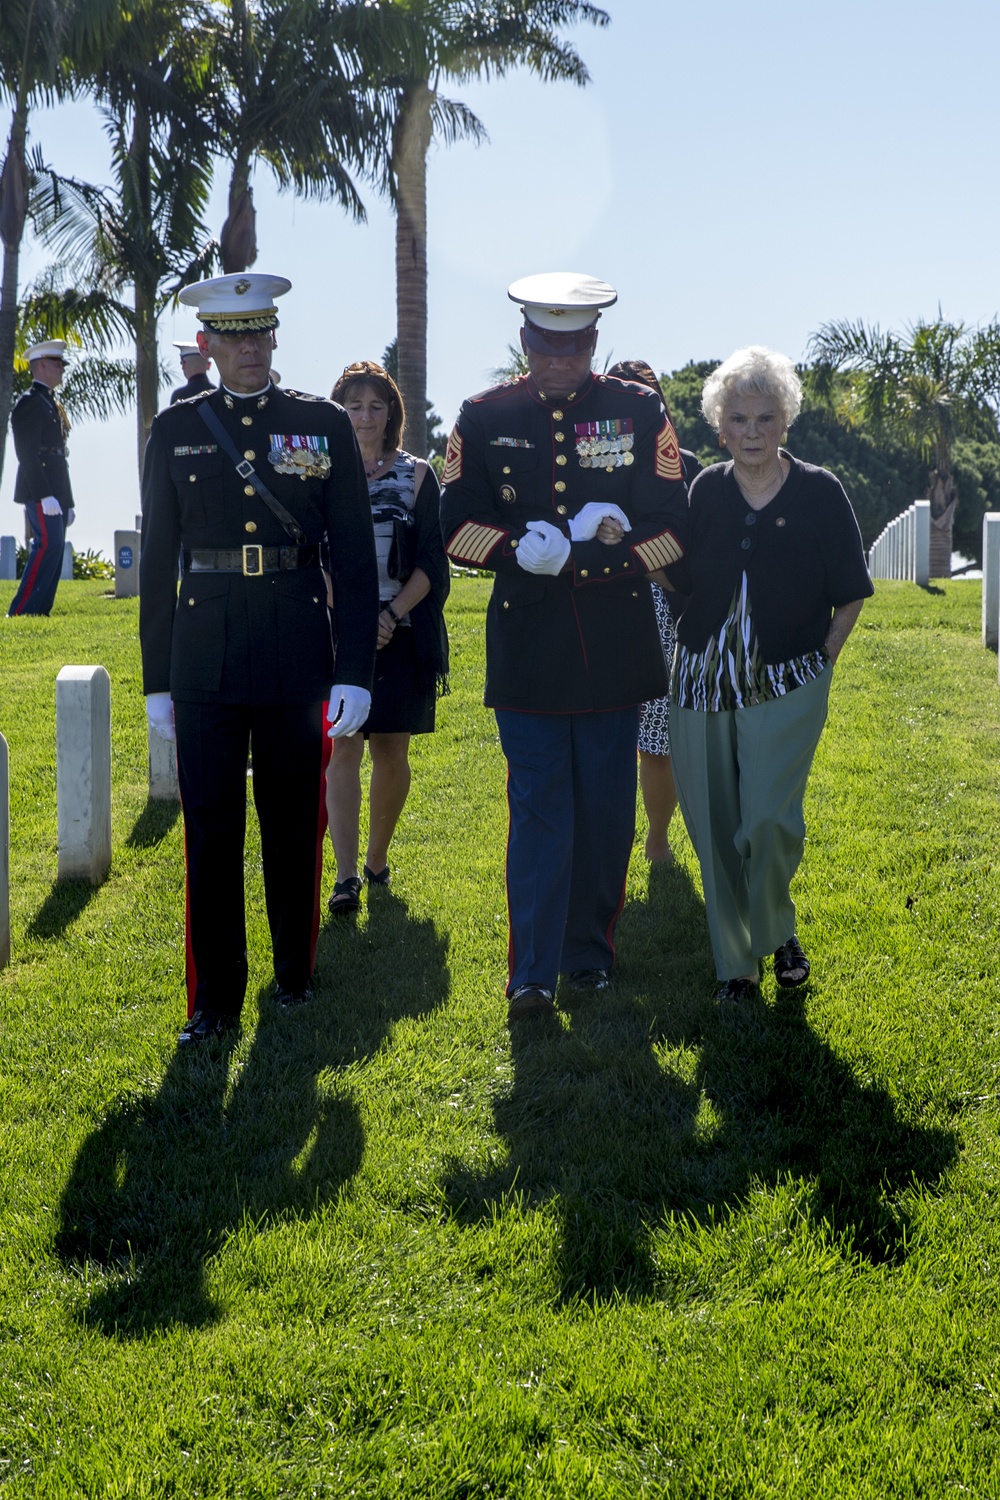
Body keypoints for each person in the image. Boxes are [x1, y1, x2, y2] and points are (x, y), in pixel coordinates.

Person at [441, 272, 688, 1023]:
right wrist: (519, 548)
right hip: (529, 647)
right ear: (525, 341)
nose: (560, 360)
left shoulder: (639, 413)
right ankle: (533, 976)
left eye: (575, 345)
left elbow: (672, 530)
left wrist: (586, 560)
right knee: (540, 808)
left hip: (615, 644)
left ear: (593, 343)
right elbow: (455, 525)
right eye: (546, 345)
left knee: (608, 812)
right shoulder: (484, 416)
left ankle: (590, 958)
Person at [139, 272, 378, 1046]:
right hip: (204, 654)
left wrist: (354, 670)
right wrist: (156, 679)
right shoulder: (176, 430)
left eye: (261, 334)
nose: (250, 350)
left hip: (295, 645)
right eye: (233, 338)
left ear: (276, 337)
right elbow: (157, 564)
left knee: (290, 822)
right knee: (211, 829)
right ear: (207, 345)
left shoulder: (321, 423)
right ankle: (214, 1000)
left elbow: (353, 555)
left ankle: (295, 975)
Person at [665, 346, 873, 1002]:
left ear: (785, 421)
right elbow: (683, 580)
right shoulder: (705, 490)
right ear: (719, 427)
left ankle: (775, 925)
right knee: (714, 827)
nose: (751, 431)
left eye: (765, 417)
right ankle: (737, 967)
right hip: (700, 681)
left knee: (767, 821)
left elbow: (853, 591)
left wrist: (823, 663)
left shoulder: (820, 491)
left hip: (790, 680)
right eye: (738, 419)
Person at [324, 360, 450, 914]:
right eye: (354, 405)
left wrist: (391, 614)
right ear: (338, 411)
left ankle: (377, 859)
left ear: (393, 413)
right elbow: (310, 556)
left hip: (401, 628)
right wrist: (353, 615)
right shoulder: (317, 470)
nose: (365, 415)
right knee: (344, 745)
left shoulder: (420, 474)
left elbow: (432, 561)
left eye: (377, 405)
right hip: (338, 630)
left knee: (390, 750)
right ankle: (346, 875)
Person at [606, 359, 702, 864]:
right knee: (606, 736)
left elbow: (700, 547)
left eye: (647, 395)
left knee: (657, 738)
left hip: (667, 607)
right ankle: (606, 842)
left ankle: (658, 838)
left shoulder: (687, 466)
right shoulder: (587, 463)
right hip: (601, 605)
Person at [7, 339, 75, 618]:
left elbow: (60, 458)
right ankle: (23, 611)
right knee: (47, 545)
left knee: (55, 548)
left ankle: (40, 611)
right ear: (41, 366)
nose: (61, 369)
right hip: (41, 489)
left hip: (55, 490)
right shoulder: (29, 403)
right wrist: (44, 494)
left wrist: (67, 501)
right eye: (57, 364)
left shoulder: (49, 402)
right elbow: (28, 453)